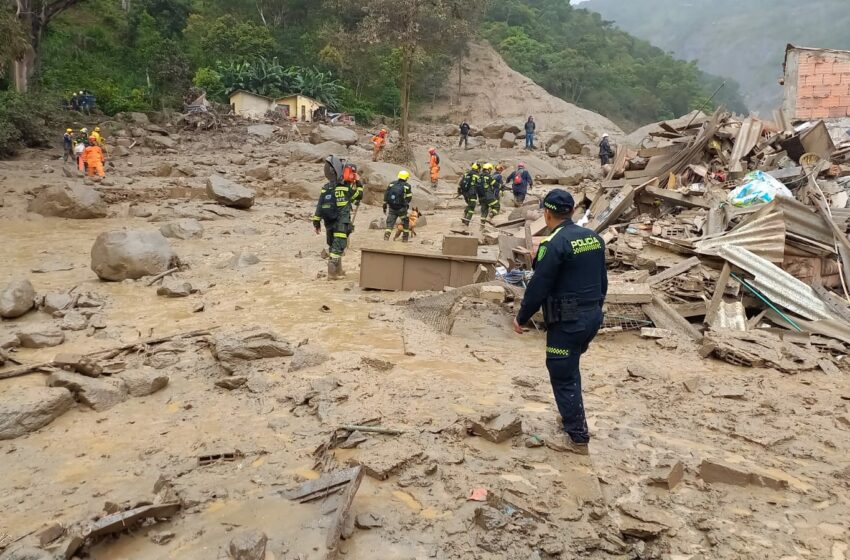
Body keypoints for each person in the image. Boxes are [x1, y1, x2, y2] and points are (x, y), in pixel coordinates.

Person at [512, 189, 607, 455]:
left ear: (547, 213)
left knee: (562, 375)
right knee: (571, 367)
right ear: (573, 211)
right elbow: (603, 280)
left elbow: (538, 287)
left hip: (567, 322)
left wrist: (521, 317)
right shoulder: (594, 238)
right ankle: (571, 418)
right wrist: (596, 311)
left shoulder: (552, 245)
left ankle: (577, 439)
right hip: (591, 318)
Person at [312, 165, 364, 279]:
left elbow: (320, 205)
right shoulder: (346, 187)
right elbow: (358, 196)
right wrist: (358, 182)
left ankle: (338, 271)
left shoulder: (326, 187)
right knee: (339, 245)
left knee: (332, 246)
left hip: (328, 220)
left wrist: (316, 222)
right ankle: (332, 274)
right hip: (341, 220)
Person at [383, 170, 414, 242]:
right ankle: (405, 239)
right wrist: (405, 204)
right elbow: (409, 197)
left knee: (389, 224)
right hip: (401, 208)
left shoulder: (392, 184)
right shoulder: (407, 186)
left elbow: (386, 194)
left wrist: (385, 204)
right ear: (406, 178)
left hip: (391, 208)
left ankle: (386, 239)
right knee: (405, 223)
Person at [477, 163, 499, 228]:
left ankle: (482, 226)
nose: (490, 171)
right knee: (497, 206)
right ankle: (490, 217)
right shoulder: (488, 176)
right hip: (488, 196)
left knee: (484, 211)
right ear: (488, 169)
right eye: (490, 169)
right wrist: (502, 186)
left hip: (481, 197)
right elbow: (495, 184)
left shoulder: (479, 177)